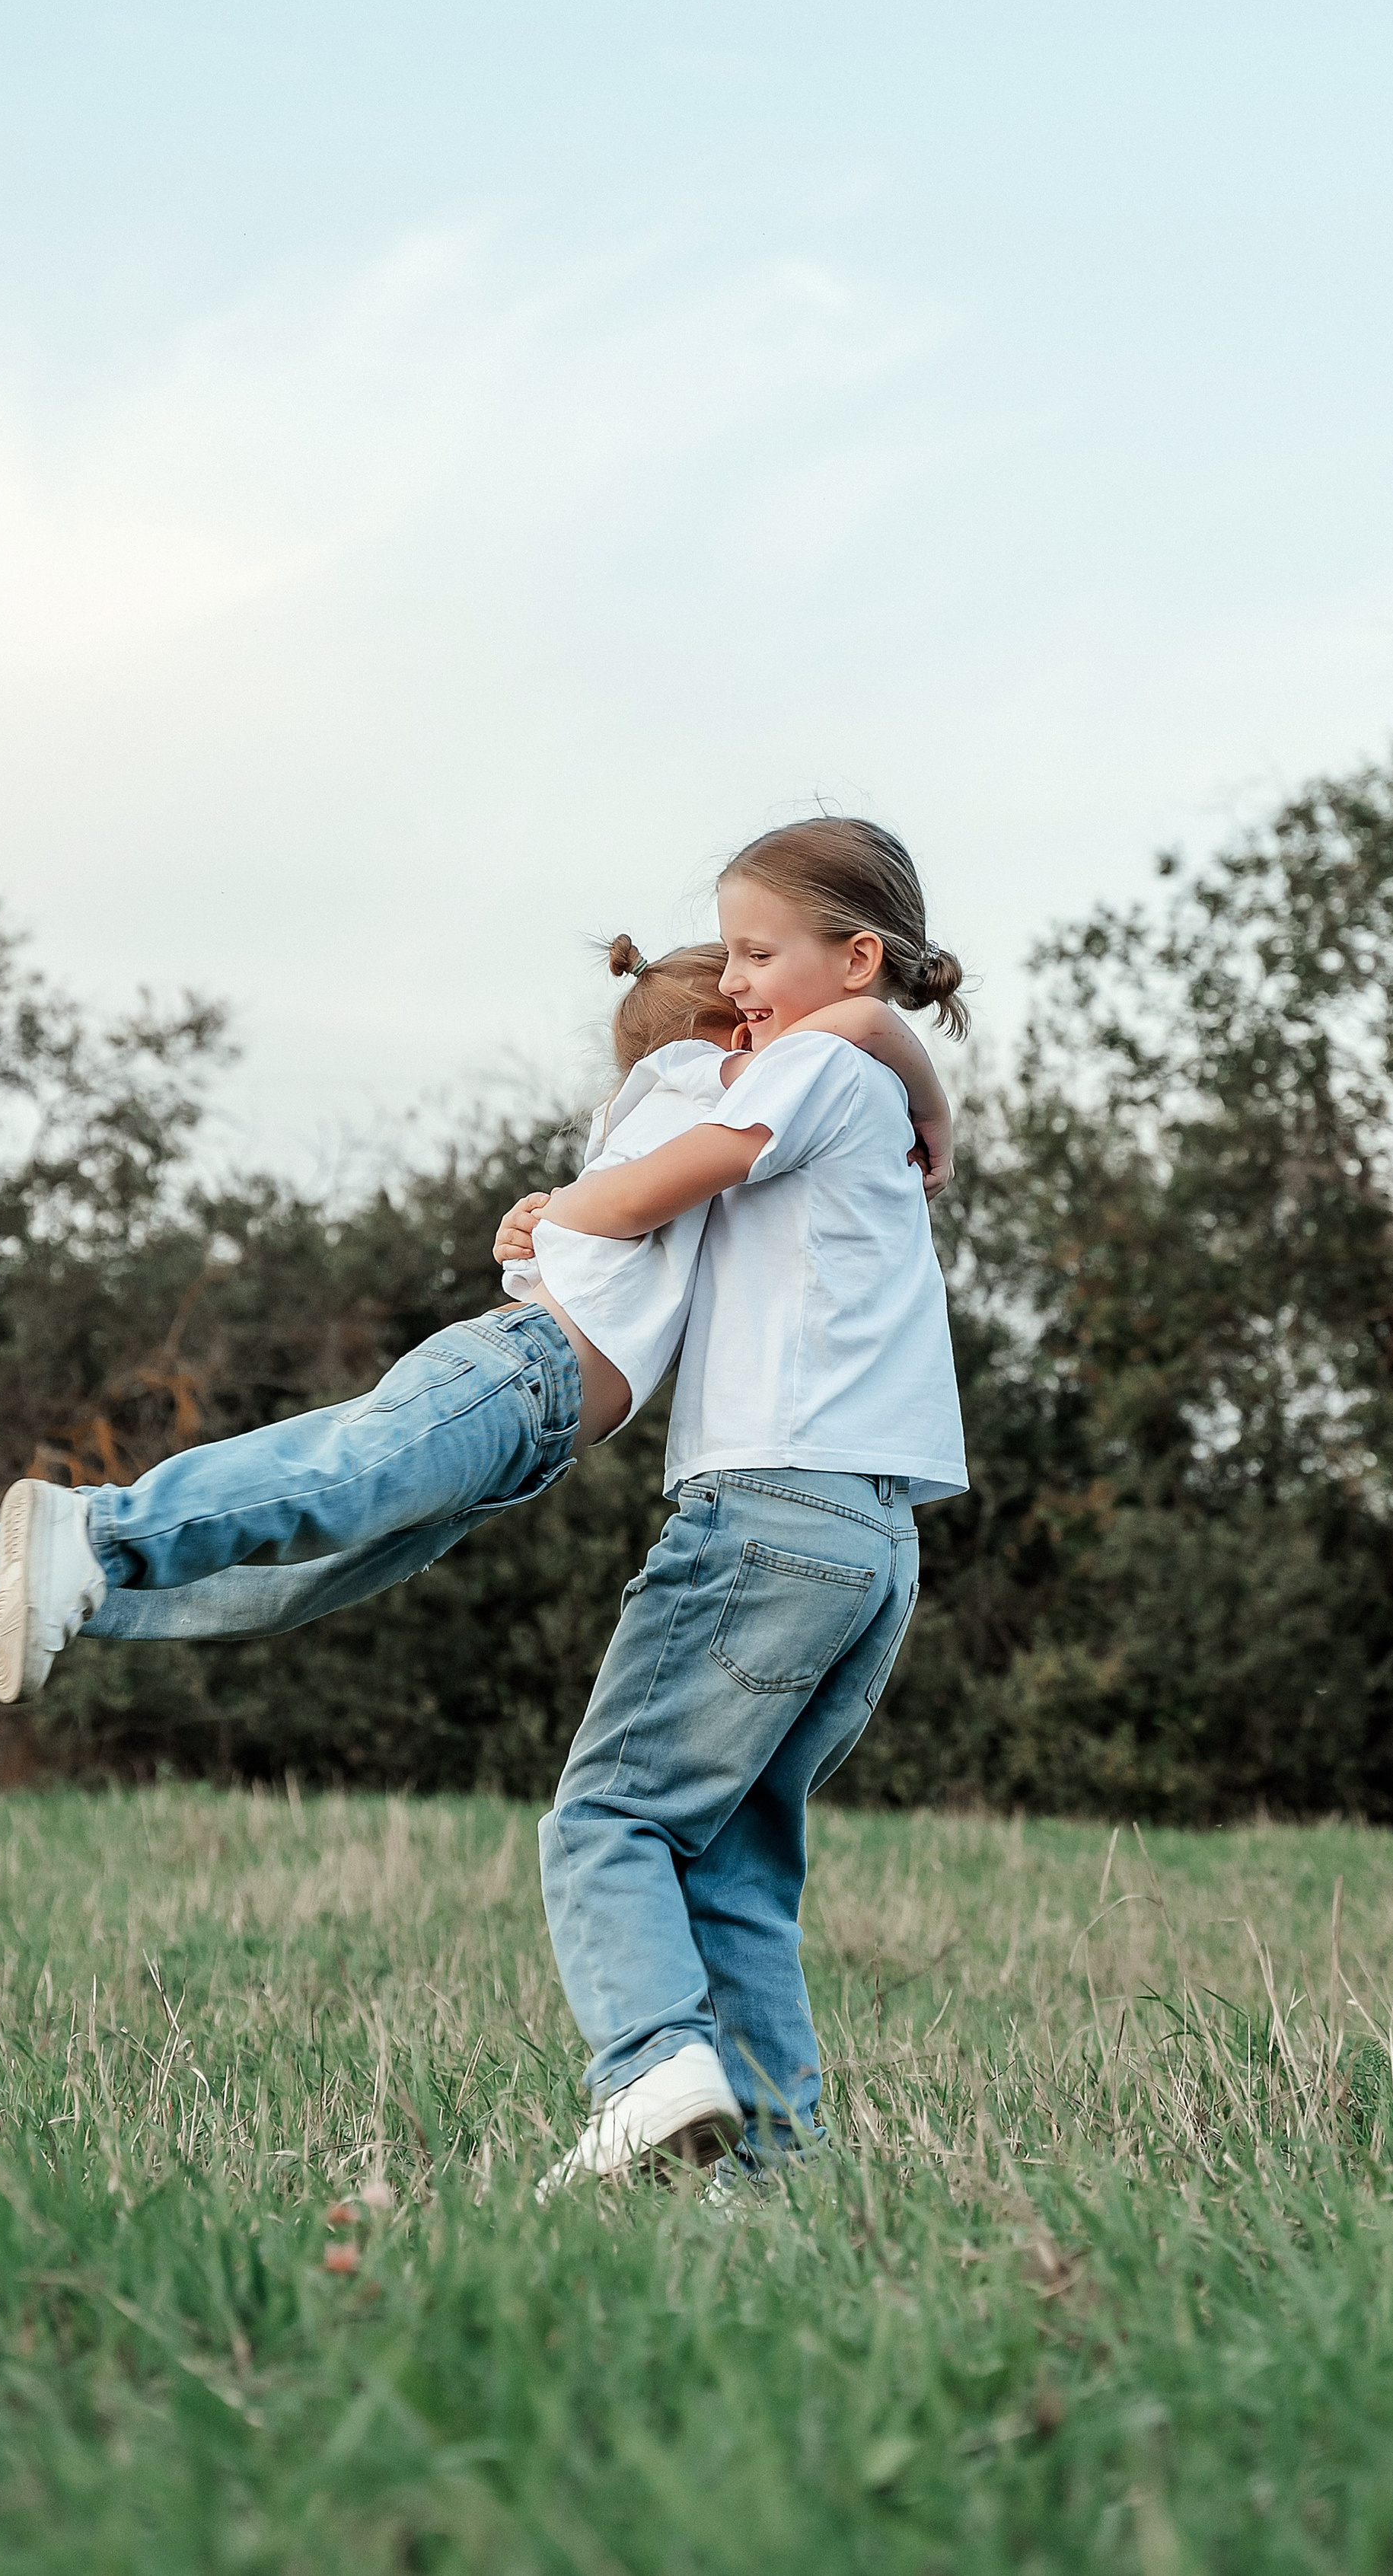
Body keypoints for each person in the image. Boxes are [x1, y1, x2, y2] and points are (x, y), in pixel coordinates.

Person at [0, 937, 954, 1729]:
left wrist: (539, 1221)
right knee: (331, 1478)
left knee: (302, 1577)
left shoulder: (669, 1121)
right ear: (722, 1037)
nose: (772, 1026)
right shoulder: (699, 1080)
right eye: (750, 1011)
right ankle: (62, 1540)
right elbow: (857, 1023)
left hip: (531, 1426)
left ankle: (15, 1578)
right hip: (517, 1380)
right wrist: (928, 1101)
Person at [526, 818, 970, 2197]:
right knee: (732, 1869)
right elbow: (888, 1035)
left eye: (757, 955)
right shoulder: (866, 1074)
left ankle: (651, 2069)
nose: (733, 987)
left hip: (769, 1506)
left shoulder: (812, 1071)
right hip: (871, 1538)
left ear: (857, 957)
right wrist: (924, 1083)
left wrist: (559, 1209)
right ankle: (776, 2181)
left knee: (609, 1821)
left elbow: (653, 1191)